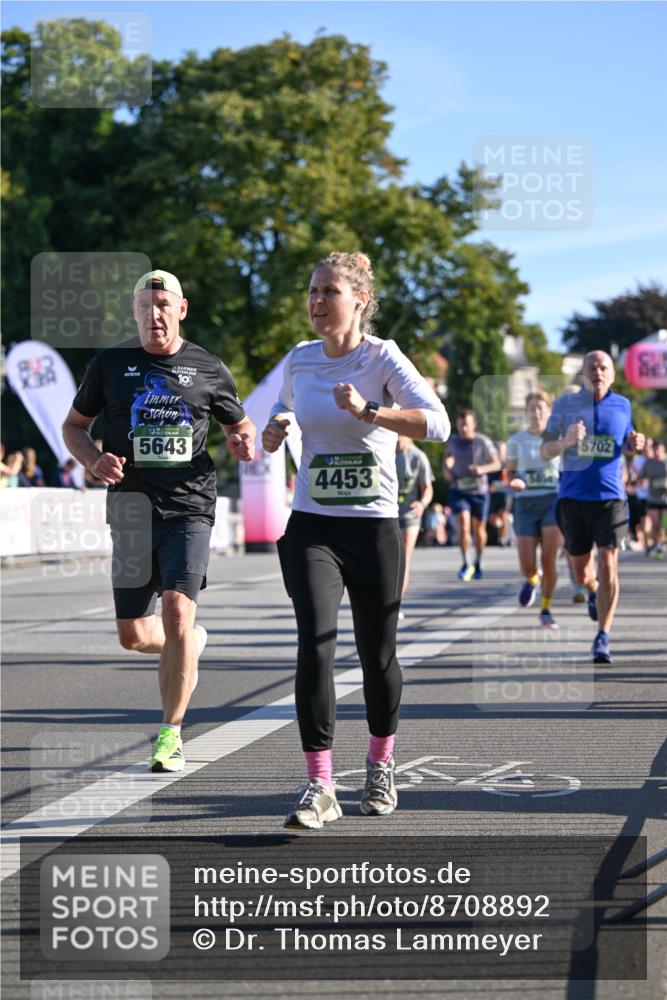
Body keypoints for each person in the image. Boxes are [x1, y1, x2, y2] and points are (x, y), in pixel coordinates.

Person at [261, 251, 450, 830]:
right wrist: (273, 430)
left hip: (372, 526)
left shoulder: (382, 358)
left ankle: (380, 762)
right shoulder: (299, 361)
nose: (317, 301)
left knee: (377, 654)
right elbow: (281, 413)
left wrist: (371, 411)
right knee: (315, 642)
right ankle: (319, 784)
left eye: (329, 292)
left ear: (360, 301)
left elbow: (436, 423)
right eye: (312, 291)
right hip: (313, 523)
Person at [63, 269, 255, 772]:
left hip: (189, 505)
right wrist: (92, 459)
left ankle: (170, 734)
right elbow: (74, 427)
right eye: (146, 306)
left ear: (182, 309)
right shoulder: (110, 364)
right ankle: (189, 643)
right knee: (133, 634)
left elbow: (241, 424)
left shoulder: (208, 368)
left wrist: (242, 441)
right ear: (134, 312)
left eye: (164, 305)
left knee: (175, 610)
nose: (155, 315)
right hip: (129, 510)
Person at [541, 350, 645, 664]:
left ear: (612, 374)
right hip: (573, 499)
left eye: (603, 367)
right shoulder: (564, 405)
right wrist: (565, 442)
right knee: (582, 571)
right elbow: (544, 451)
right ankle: (592, 590)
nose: (597, 372)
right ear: (583, 373)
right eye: (591, 367)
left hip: (611, 498)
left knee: (609, 564)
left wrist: (633, 445)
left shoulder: (623, 405)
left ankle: (603, 636)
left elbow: (627, 441)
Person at [506, 391, 561, 629]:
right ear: (526, 412)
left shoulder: (558, 438)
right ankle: (531, 579)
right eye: (532, 409)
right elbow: (510, 472)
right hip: (525, 503)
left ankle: (546, 609)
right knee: (527, 564)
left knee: (549, 560)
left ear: (548, 412)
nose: (536, 413)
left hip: (551, 500)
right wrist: (513, 480)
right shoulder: (516, 440)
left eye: (541, 408)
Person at [443, 409, 500, 580]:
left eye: (466, 425)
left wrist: (482, 469)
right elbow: (447, 463)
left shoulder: (482, 441)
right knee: (463, 524)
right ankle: (466, 562)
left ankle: (478, 561)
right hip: (459, 489)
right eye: (460, 425)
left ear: (474, 424)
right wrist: (448, 468)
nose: (463, 429)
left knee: (479, 528)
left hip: (479, 491)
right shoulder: (453, 441)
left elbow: (497, 463)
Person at [395, 435, 434, 612]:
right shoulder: (382, 452)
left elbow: (427, 489)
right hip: (386, 513)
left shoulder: (418, 457)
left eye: (401, 434)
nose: (397, 438)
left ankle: (396, 604)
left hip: (410, 514)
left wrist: (422, 503)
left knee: (403, 559)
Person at [641, 439, 667, 557]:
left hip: (665, 498)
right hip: (653, 497)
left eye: (659, 449)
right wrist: (638, 481)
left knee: (663, 525)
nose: (657, 451)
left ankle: (659, 544)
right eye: (655, 449)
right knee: (655, 524)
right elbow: (641, 476)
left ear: (663, 449)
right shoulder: (649, 463)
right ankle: (657, 545)